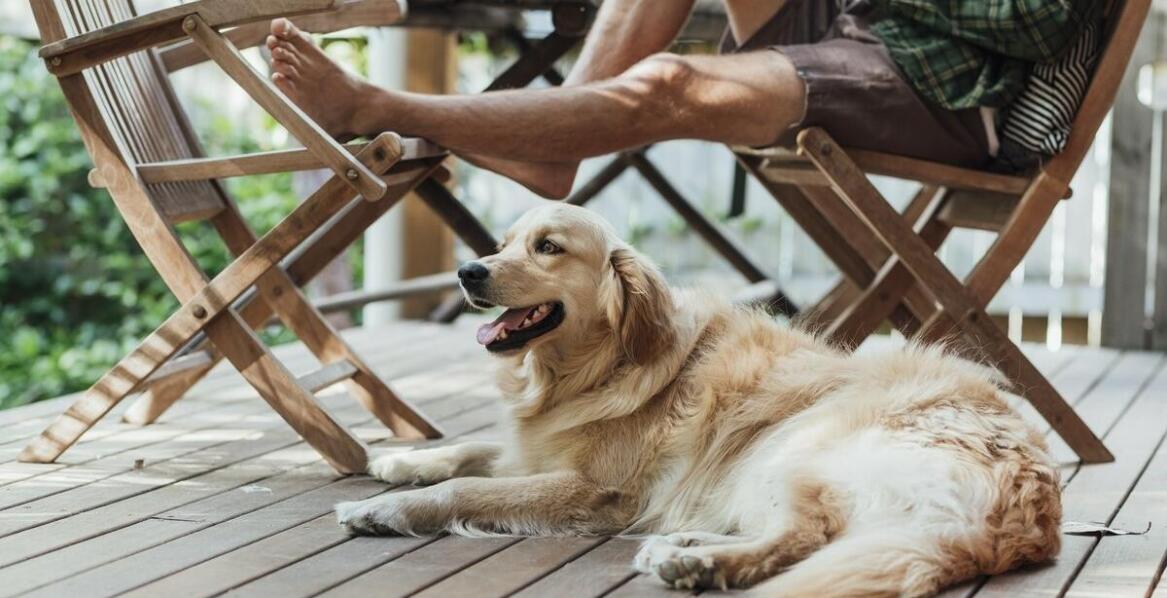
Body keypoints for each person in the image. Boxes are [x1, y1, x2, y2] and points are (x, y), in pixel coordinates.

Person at [265, 0, 1101, 199]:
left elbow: (1034, 20)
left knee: (668, 87)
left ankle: (380, 106)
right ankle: (553, 150)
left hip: (949, 90)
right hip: (868, 28)